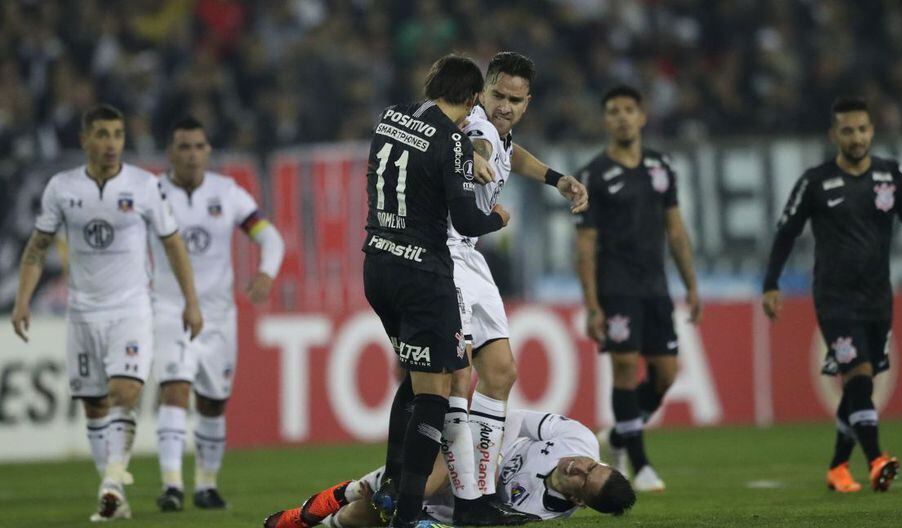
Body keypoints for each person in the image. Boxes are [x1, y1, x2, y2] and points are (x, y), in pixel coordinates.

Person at [416, 51, 587, 526]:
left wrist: (556, 179)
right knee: (458, 376)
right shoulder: (472, 124)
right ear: (481, 91)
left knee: (502, 372)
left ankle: (482, 490)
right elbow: (479, 143)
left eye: (515, 99)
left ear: (527, 102)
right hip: (445, 252)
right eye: (497, 95)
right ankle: (469, 498)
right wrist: (474, 155)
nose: (504, 107)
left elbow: (510, 151)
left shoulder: (503, 132)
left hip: (471, 254)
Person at [762, 96, 902, 493]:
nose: (856, 137)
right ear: (834, 134)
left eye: (862, 129)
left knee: (862, 384)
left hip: (877, 296)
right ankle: (876, 460)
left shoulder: (890, 175)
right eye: (847, 130)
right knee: (856, 374)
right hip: (835, 298)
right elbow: (786, 233)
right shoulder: (815, 181)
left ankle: (838, 466)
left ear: (871, 131)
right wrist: (771, 283)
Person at [10, 104, 203, 521]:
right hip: (82, 313)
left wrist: (191, 300)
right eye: (101, 134)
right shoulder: (62, 188)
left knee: (126, 392)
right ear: (85, 140)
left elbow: (172, 244)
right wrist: (23, 300)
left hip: (131, 307)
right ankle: (112, 494)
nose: (111, 143)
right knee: (95, 405)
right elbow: (38, 247)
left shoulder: (144, 186)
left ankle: (114, 480)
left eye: (117, 134)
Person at [361, 54, 511, 528]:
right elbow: (467, 220)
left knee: (419, 376)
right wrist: (497, 218)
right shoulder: (453, 141)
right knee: (437, 390)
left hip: (377, 264)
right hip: (423, 274)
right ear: (471, 100)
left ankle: (391, 489)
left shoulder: (391, 117)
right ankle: (408, 516)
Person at [150, 117, 285, 511]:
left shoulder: (226, 193)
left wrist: (266, 272)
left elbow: (269, 236)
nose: (191, 154)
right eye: (183, 146)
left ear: (207, 151)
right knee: (174, 389)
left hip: (218, 314)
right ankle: (172, 485)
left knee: (213, 402)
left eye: (198, 146)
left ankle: (205, 485)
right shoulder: (152, 192)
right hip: (169, 307)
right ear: (171, 153)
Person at [574, 85, 701, 492]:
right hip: (617, 286)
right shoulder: (593, 173)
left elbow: (676, 230)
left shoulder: (661, 166)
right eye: (614, 111)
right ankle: (639, 463)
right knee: (625, 368)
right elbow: (586, 245)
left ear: (642, 116)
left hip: (656, 286)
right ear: (605, 120)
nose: (622, 117)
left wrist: (692, 285)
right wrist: (592, 304)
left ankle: (621, 433)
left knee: (666, 375)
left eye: (629, 109)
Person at [263, 409, 636, 528]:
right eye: (592, 465)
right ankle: (317, 507)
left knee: (362, 518)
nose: (579, 466)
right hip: (476, 449)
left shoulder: (540, 512)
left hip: (457, 504)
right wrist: (490, 461)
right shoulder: (579, 438)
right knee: (416, 485)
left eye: (584, 478)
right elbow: (516, 418)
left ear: (577, 500)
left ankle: (330, 512)